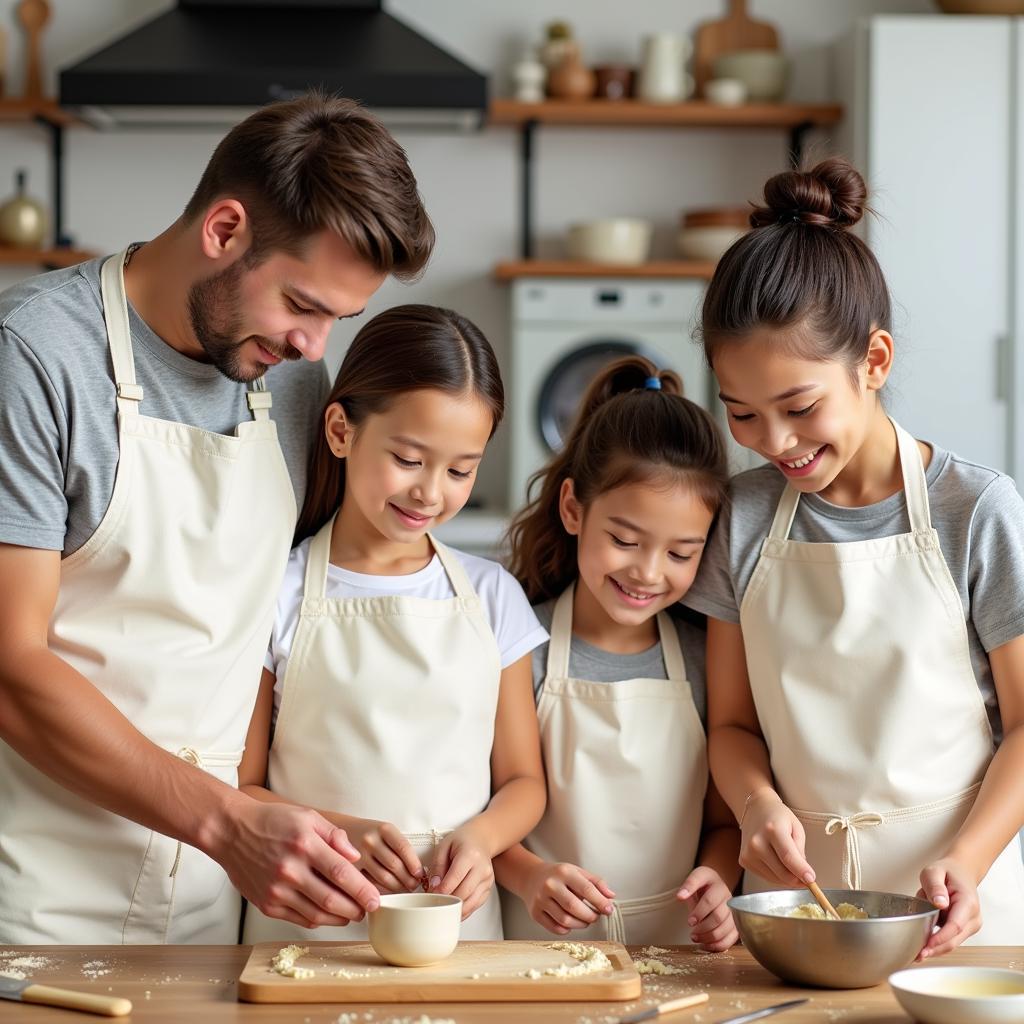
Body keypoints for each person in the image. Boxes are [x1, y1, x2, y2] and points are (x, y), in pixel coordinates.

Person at [0, 92, 435, 944]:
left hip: (213, 903)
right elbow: (11, 664)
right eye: (304, 304)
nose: (316, 344)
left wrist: (298, 822)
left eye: (336, 320)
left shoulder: (293, 384)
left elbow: (289, 619)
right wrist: (228, 824)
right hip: (36, 898)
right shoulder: (36, 356)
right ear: (226, 229)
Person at [684, 157, 1024, 955]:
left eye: (799, 408)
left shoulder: (976, 512)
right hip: (793, 916)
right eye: (742, 415)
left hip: (962, 914)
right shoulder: (743, 516)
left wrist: (965, 862)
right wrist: (758, 805)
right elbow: (731, 724)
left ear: (874, 362)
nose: (776, 443)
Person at [239, 304, 548, 943]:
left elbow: (523, 781)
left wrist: (480, 840)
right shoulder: (277, 589)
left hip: (455, 928)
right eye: (408, 459)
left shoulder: (493, 595)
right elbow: (243, 788)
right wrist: (341, 833)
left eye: (461, 470)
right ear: (341, 431)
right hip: (308, 923)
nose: (431, 492)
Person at [496, 357, 740, 949]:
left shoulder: (708, 656)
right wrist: (531, 878)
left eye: (681, 553)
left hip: (678, 954)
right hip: (541, 956)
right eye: (625, 541)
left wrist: (721, 878)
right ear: (574, 508)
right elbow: (484, 815)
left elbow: (724, 822)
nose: (648, 572)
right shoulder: (518, 647)